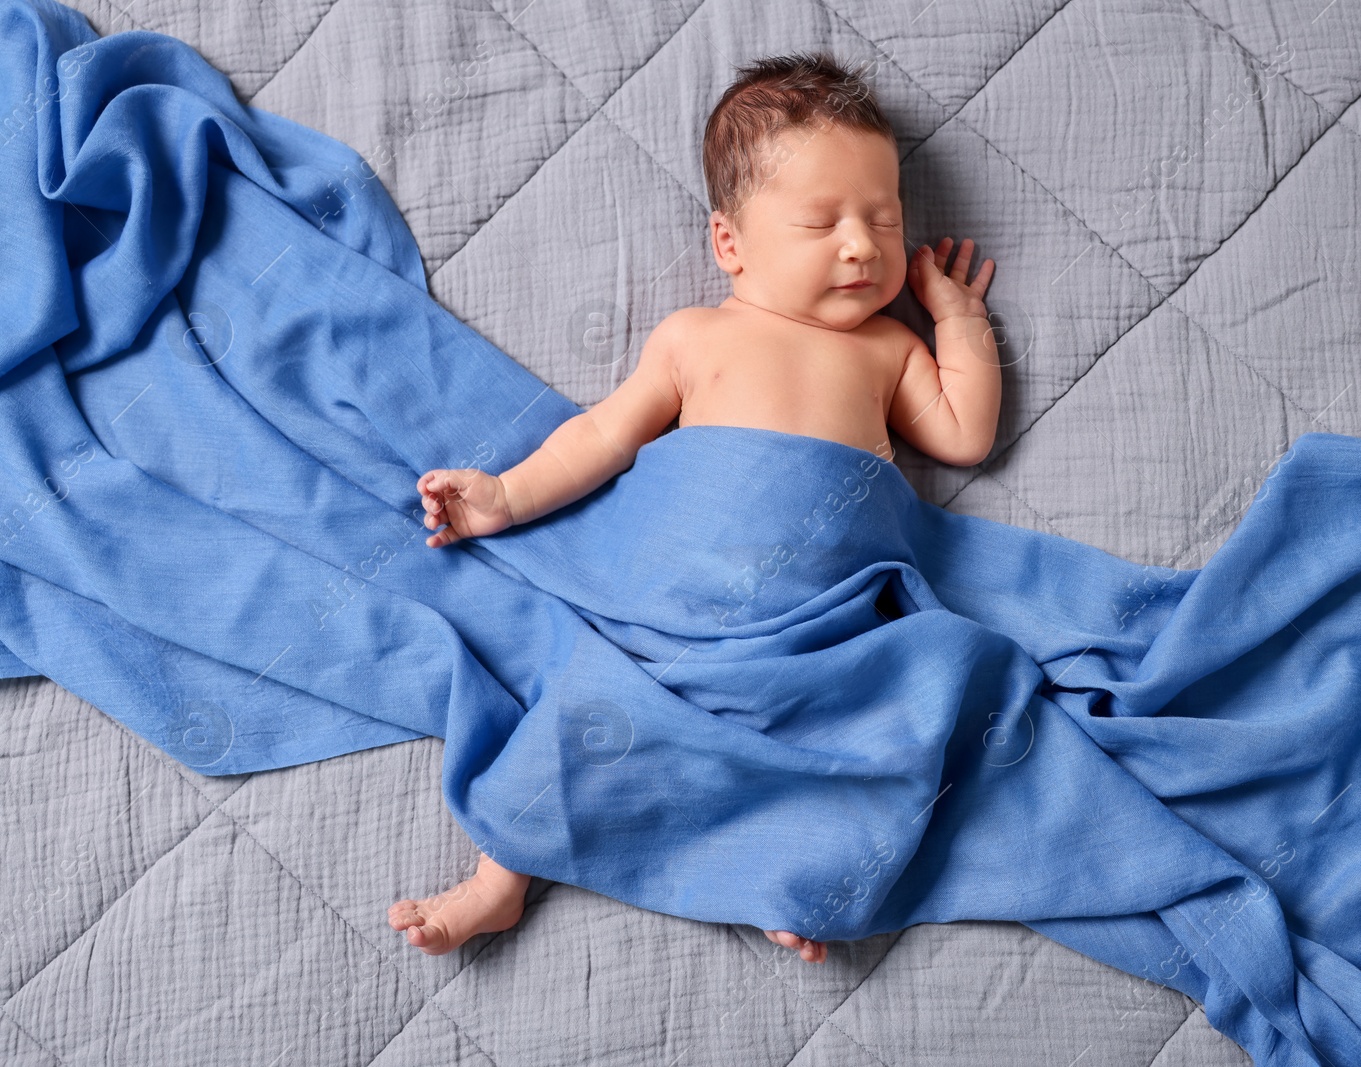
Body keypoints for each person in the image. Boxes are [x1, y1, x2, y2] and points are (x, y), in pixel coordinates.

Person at [388, 51, 1000, 963]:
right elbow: (602, 438)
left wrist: (956, 322)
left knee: (848, 737)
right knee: (583, 712)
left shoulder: (886, 351)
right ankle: (498, 879)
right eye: (821, 221)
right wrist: (505, 496)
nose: (862, 244)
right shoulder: (694, 337)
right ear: (731, 245)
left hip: (813, 624)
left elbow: (963, 436)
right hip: (677, 607)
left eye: (882, 216)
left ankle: (773, 874)